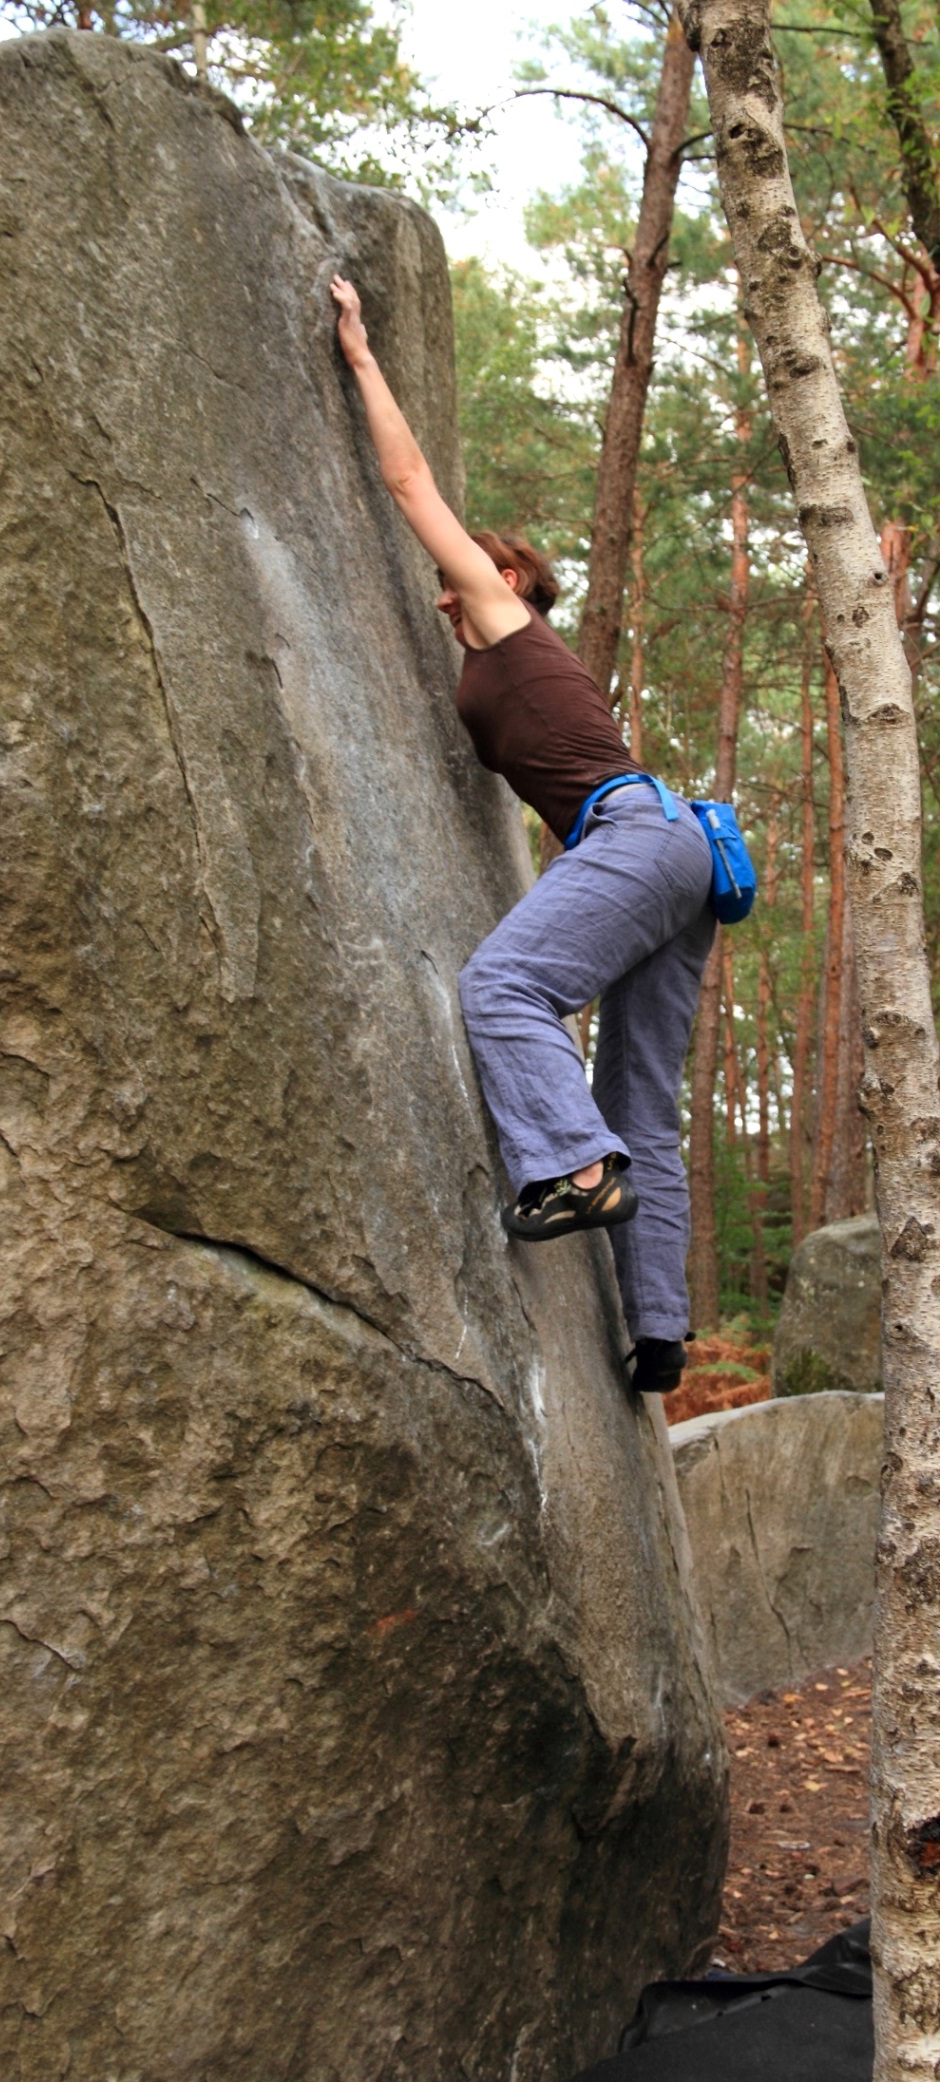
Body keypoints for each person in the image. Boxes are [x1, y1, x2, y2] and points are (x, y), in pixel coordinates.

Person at [330, 274, 714, 1396]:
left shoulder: (508, 622)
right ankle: (656, 1335)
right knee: (641, 1093)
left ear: (506, 582)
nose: (446, 602)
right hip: (673, 856)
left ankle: (574, 1170)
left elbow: (406, 482)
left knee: (501, 987)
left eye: (463, 583)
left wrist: (360, 355)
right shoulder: (521, 668)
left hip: (641, 838)